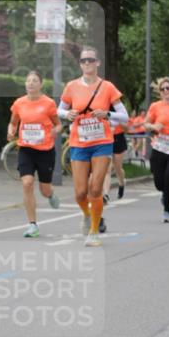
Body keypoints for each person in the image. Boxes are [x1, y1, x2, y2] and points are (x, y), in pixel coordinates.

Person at [58, 46, 128, 247]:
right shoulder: (71, 86)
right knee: (80, 193)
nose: (87, 63)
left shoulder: (107, 87)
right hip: (79, 142)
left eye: (90, 60)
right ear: (80, 64)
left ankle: (94, 231)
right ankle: (87, 215)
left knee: (95, 189)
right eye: (83, 61)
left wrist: (108, 114)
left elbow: (125, 117)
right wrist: (67, 114)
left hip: (102, 142)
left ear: (98, 63)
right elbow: (59, 110)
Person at [6, 70, 61, 237]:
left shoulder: (49, 103)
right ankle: (32, 225)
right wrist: (11, 131)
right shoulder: (19, 103)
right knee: (27, 183)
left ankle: (50, 194)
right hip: (26, 149)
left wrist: (54, 132)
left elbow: (58, 125)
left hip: (45, 151)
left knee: (44, 190)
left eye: (34, 81)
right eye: (28, 80)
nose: (31, 83)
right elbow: (13, 122)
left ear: (41, 84)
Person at [145, 77, 169, 223]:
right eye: (163, 89)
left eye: (168, 88)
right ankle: (163, 193)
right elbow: (146, 124)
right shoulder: (155, 106)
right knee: (159, 182)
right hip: (159, 145)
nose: (166, 91)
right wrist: (153, 127)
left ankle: (167, 212)